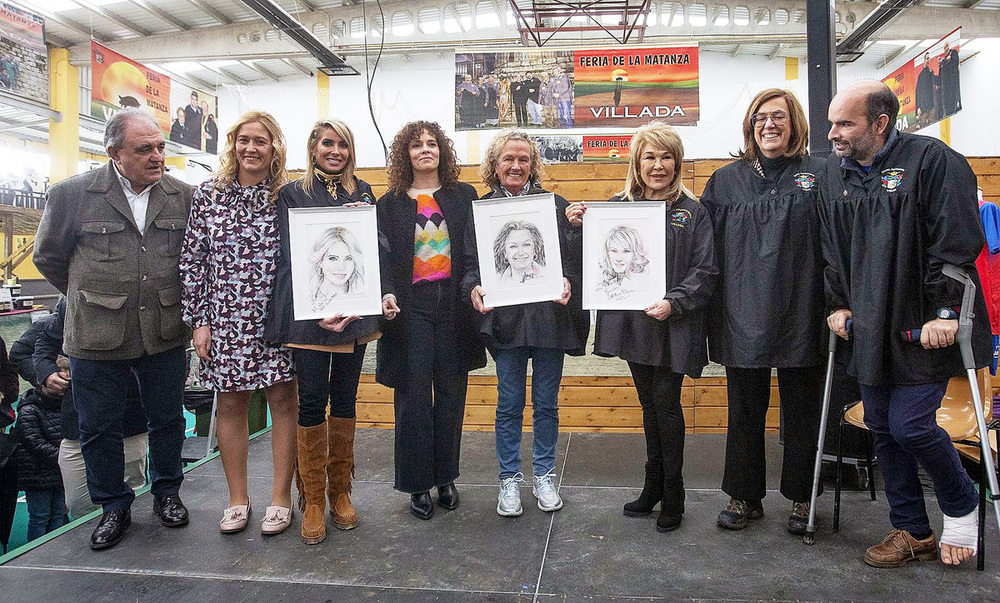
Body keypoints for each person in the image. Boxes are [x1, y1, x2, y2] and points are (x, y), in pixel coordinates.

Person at [822, 80, 990, 568]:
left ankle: (961, 507)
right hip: (870, 325)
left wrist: (946, 311)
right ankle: (913, 530)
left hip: (925, 325)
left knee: (910, 425)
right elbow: (833, 249)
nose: (832, 133)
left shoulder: (933, 161)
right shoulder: (838, 175)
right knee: (880, 425)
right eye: (832, 122)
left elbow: (957, 241)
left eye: (844, 123)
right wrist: (838, 303)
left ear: (880, 123)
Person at [33, 107, 194, 551]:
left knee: (166, 418)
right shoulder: (72, 195)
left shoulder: (183, 195)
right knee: (98, 425)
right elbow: (48, 257)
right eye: (145, 149)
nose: (157, 156)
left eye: (161, 147)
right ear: (114, 153)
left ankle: (167, 493)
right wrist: (91, 295)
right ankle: (113, 506)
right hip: (96, 333)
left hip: (163, 328)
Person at [567, 123, 716, 533]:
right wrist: (577, 226)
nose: (658, 165)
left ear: (677, 162)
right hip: (634, 327)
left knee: (667, 406)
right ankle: (652, 487)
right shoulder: (617, 206)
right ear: (636, 162)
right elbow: (594, 263)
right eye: (650, 157)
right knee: (649, 407)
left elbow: (706, 270)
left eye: (666, 157)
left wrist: (676, 302)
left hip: (673, 323)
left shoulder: (693, 210)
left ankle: (674, 493)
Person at [700, 89, 827, 534]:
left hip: (804, 308)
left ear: (794, 123)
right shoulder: (725, 181)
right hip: (742, 310)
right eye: (760, 117)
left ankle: (802, 497)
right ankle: (744, 495)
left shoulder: (821, 173)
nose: (768, 125)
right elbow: (704, 250)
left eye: (778, 117)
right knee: (745, 409)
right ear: (750, 126)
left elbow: (839, 244)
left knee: (803, 410)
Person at [264, 118, 383, 545]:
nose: (336, 151)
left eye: (344, 146)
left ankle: (340, 492)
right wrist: (314, 310)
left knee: (347, 398)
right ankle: (312, 499)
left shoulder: (364, 191)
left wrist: (363, 223)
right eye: (328, 144)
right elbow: (289, 256)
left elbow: (374, 248)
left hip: (353, 316)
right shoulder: (291, 193)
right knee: (312, 401)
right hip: (308, 317)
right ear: (313, 146)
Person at [180, 111, 298, 536]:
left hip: (278, 319)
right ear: (233, 144)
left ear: (274, 149)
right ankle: (237, 499)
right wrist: (199, 321)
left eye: (261, 141)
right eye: (244, 140)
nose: (251, 148)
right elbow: (193, 262)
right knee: (230, 404)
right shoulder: (207, 196)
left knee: (285, 403)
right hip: (225, 319)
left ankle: (281, 498)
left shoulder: (289, 195)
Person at [463, 129, 588, 517]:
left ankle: (545, 475)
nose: (516, 166)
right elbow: (470, 267)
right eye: (508, 159)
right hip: (506, 324)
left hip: (550, 322)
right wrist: (473, 288)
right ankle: (509, 480)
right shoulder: (480, 212)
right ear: (495, 166)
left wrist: (573, 238)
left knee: (546, 404)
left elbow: (572, 262)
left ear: (532, 165)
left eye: (523, 159)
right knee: (510, 404)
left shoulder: (555, 206)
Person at [376, 120, 486, 520]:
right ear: (404, 154)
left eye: (432, 143)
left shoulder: (464, 197)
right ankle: (417, 484)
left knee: (452, 397)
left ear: (443, 151)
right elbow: (382, 260)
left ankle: (446, 477)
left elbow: (477, 251)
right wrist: (385, 292)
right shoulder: (388, 204)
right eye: (416, 144)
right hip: (411, 311)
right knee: (413, 400)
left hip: (454, 308)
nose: (425, 149)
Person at [25, 299, 149, 519]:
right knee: (78, 504)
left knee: (133, 503)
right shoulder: (69, 301)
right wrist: (46, 374)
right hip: (77, 425)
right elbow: (41, 344)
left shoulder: (140, 295)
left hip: (127, 424)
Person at [12, 377, 66, 542]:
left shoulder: (66, 406)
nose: (63, 386)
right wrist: (64, 457)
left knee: (58, 515)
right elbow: (33, 442)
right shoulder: (29, 410)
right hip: (36, 474)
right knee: (40, 517)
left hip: (60, 472)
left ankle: (57, 554)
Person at [307, 227, 366, 313]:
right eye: (333, 258)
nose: (341, 267)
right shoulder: (307, 303)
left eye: (348, 258)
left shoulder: (365, 300)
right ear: (319, 261)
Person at [596, 225, 650, 300]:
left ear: (635, 254)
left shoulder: (642, 284)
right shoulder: (600, 282)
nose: (619, 258)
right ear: (607, 253)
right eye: (613, 251)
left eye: (626, 251)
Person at [939, 43, 961, 117]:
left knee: (953, 98)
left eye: (947, 47)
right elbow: (940, 76)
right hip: (946, 88)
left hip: (953, 84)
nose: (946, 49)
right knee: (948, 102)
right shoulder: (942, 62)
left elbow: (956, 62)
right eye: (944, 47)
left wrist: (950, 58)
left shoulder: (954, 53)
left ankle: (955, 107)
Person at [915, 53, 937, 128]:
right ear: (924, 60)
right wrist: (918, 107)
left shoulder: (931, 72)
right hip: (923, 107)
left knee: (933, 124)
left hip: (931, 105)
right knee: (923, 126)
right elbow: (918, 92)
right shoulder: (921, 76)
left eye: (929, 58)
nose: (928, 60)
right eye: (927, 58)